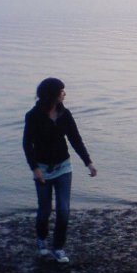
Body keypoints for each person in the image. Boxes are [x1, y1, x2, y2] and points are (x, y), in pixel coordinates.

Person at [23, 77, 97, 263]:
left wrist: (88, 162)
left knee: (64, 210)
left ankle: (58, 248)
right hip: (42, 170)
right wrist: (34, 169)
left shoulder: (65, 114)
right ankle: (41, 239)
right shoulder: (33, 116)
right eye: (62, 91)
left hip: (64, 167)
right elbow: (27, 144)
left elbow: (75, 140)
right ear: (52, 94)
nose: (65, 93)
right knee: (45, 210)